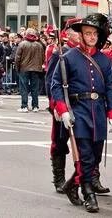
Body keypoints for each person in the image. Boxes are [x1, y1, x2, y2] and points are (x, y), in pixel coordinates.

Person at [51, 14, 112, 213]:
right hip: (78, 109)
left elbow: (110, 88)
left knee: (95, 156)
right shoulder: (68, 57)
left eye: (94, 34)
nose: (91, 37)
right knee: (85, 155)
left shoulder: (104, 61)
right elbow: (56, 86)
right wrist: (62, 110)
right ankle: (88, 193)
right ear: (80, 35)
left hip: (97, 110)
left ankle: (73, 183)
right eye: (87, 33)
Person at [46, 18, 81, 200]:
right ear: (67, 33)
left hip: (81, 105)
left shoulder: (84, 53)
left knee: (85, 143)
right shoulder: (59, 53)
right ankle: (59, 178)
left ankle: (88, 178)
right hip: (64, 105)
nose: (78, 34)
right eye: (75, 30)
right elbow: (51, 81)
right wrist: (55, 106)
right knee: (60, 142)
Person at [15, 28, 45, 112]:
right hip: (36, 68)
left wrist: (17, 68)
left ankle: (24, 106)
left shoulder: (22, 44)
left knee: (24, 87)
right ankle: (35, 106)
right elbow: (43, 57)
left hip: (24, 68)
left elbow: (17, 58)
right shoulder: (39, 45)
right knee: (34, 88)